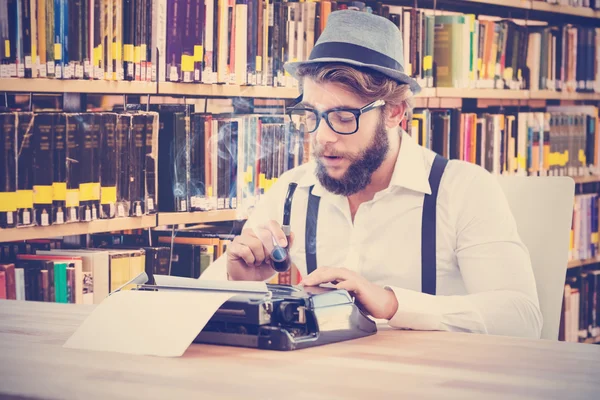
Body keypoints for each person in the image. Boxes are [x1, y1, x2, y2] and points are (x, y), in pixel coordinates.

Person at [201, 9, 543, 339]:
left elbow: (522, 316)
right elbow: (198, 305)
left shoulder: (463, 189)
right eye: (312, 115)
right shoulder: (292, 190)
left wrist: (393, 303)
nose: (322, 137)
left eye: (344, 118)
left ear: (394, 113)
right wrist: (239, 283)